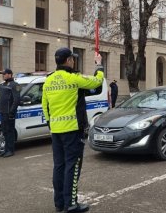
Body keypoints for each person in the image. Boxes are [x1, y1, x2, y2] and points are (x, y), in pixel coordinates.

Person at [42, 47, 104, 213]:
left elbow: (45, 106)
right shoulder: (74, 78)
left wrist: (51, 124)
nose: (74, 61)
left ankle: (59, 203)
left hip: (56, 130)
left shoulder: (48, 80)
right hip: (72, 130)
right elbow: (97, 82)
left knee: (59, 166)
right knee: (73, 166)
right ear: (68, 60)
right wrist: (99, 65)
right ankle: (71, 204)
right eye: (73, 58)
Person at [0, 68, 21, 158]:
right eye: (2, 74)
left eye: (4, 74)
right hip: (2, 111)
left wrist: (12, 112)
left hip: (9, 112)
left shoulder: (15, 85)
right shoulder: (3, 84)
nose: (3, 75)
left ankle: (10, 150)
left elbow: (16, 100)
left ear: (10, 74)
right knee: (5, 131)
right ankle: (6, 150)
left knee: (10, 131)